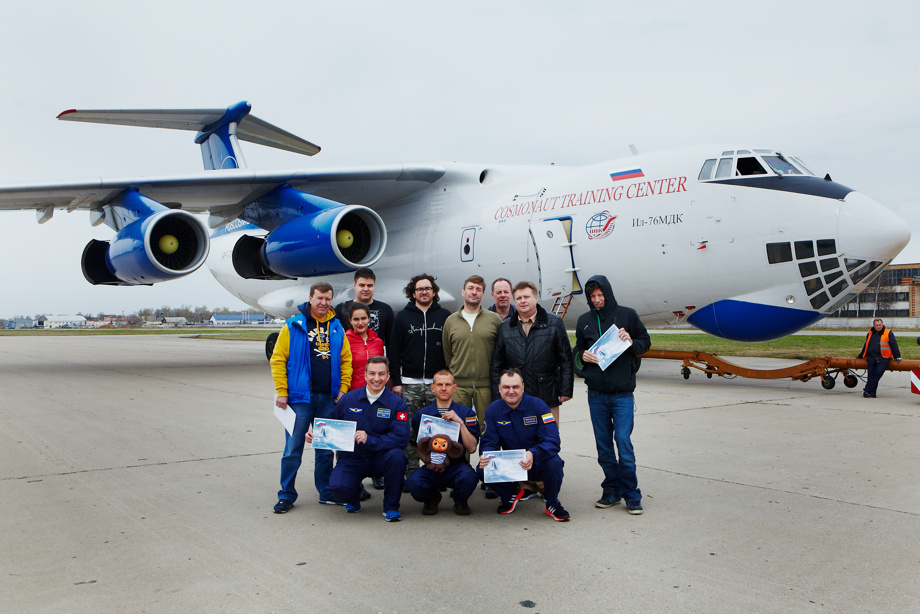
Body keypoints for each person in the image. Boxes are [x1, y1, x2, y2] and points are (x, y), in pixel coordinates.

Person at [270, 282, 353, 514]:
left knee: (325, 450)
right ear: (310, 299)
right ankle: (286, 494)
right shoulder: (293, 325)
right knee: (292, 449)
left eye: (328, 299)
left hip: (328, 398)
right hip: (298, 399)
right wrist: (282, 391)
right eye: (319, 298)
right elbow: (278, 359)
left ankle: (325, 492)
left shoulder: (337, 327)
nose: (324, 303)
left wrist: (343, 389)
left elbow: (346, 360)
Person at [574, 275, 650, 515]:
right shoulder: (584, 320)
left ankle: (632, 494)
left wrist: (631, 341)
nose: (597, 300)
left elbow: (645, 342)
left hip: (622, 395)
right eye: (592, 297)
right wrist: (582, 357)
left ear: (608, 294)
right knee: (604, 447)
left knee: (624, 444)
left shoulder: (627, 315)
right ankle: (612, 490)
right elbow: (577, 350)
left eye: (600, 295)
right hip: (596, 395)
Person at [320, 356, 410, 522]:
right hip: (353, 457)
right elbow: (331, 424)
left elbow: (400, 439)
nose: (377, 378)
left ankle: (391, 506)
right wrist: (317, 434)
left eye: (381, 374)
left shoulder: (397, 404)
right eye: (372, 373)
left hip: (381, 457)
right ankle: (354, 493)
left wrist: (370, 440)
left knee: (397, 457)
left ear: (388, 376)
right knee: (338, 488)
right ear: (365, 375)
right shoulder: (348, 399)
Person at [477, 369, 569, 521]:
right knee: (482, 469)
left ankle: (552, 503)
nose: (511, 391)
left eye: (515, 387)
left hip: (536, 460)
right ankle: (511, 494)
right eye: (506, 387)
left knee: (554, 463)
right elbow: (488, 442)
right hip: (512, 464)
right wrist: (486, 455)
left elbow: (553, 440)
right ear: (499, 388)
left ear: (523, 387)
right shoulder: (493, 410)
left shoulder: (539, 406)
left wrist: (533, 453)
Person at [389, 273, 452, 479]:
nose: (424, 292)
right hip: (410, 384)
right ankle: (412, 472)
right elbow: (394, 352)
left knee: (438, 431)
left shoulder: (444, 316)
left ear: (434, 292)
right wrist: (397, 382)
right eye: (419, 289)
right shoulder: (403, 317)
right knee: (409, 431)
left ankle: (438, 471)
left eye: (427, 288)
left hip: (437, 385)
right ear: (413, 293)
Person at [490, 280, 573, 423]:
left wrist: (565, 390)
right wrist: (498, 394)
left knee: (548, 438)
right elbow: (497, 363)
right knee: (519, 439)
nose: (523, 301)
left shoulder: (554, 323)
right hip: (515, 397)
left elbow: (565, 358)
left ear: (536, 297)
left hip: (547, 393)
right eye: (519, 298)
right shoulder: (505, 328)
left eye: (526, 297)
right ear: (514, 301)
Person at [405, 370, 480, 515]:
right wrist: (431, 462)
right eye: (439, 384)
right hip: (431, 466)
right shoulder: (422, 415)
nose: (444, 388)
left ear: (454, 387)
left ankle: (460, 500)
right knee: (413, 484)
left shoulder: (466, 413)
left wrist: (460, 423)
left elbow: (471, 448)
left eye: (448, 384)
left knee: (469, 478)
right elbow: (418, 446)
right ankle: (432, 498)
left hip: (457, 466)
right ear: (432, 388)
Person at [442, 275, 502, 425]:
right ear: (463, 292)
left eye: (478, 289)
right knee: (459, 430)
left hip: (486, 386)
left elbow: (501, 351)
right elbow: (447, 352)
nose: (474, 292)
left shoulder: (494, 320)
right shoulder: (451, 321)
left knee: (488, 429)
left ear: (483, 294)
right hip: (459, 387)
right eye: (470, 288)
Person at [334, 267, 395, 347]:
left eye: (369, 285)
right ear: (354, 285)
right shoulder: (341, 309)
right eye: (362, 285)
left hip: (375, 356)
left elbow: (391, 342)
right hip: (350, 357)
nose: (366, 289)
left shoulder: (385, 309)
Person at [857, 318, 902, 398]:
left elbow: (894, 345)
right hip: (871, 358)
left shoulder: (888, 333)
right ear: (874, 326)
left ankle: (867, 390)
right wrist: (861, 355)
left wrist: (897, 356)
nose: (879, 327)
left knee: (876, 375)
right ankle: (872, 393)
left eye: (880, 325)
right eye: (877, 325)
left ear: (882, 324)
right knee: (871, 376)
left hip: (883, 359)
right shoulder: (870, 333)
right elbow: (866, 346)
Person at [345, 304, 385, 391]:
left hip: (375, 391)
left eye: (363, 318)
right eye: (356, 319)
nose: (360, 323)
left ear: (369, 319)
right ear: (350, 321)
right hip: (353, 392)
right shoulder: (345, 341)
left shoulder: (378, 342)